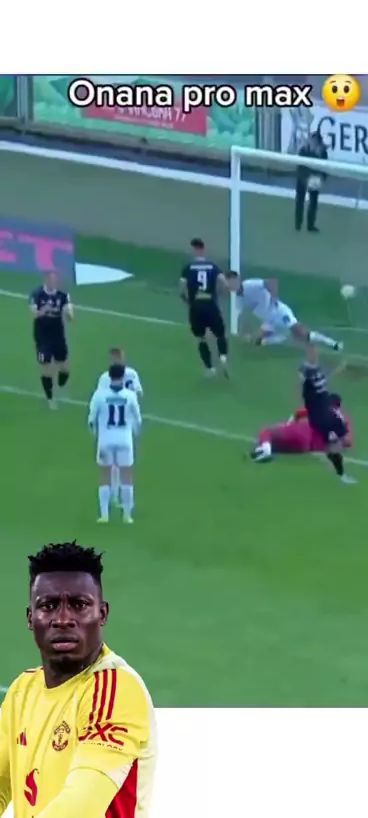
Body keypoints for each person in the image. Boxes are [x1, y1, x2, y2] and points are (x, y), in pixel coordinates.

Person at [0, 541, 157, 817]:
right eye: (48, 606)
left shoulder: (115, 690)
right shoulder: (22, 691)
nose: (63, 619)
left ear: (102, 613)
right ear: (30, 618)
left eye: (79, 605)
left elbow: (80, 807)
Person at [225, 272, 343, 351]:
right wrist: (245, 332)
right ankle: (283, 337)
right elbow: (243, 315)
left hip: (279, 313)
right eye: (228, 283)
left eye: (231, 282)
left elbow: (273, 282)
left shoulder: (250, 285)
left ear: (237, 280)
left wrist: (274, 298)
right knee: (256, 341)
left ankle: (333, 343)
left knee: (303, 334)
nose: (230, 285)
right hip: (268, 322)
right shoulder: (238, 299)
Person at [88, 364, 142, 523]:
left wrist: (96, 434)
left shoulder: (99, 395)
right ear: (123, 376)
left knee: (105, 475)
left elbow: (91, 419)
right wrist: (135, 434)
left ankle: (104, 515)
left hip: (105, 440)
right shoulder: (130, 396)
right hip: (125, 440)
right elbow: (137, 419)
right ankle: (127, 515)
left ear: (108, 376)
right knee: (127, 476)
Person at [298, 346, 356, 484]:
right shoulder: (308, 385)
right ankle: (341, 473)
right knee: (333, 445)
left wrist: (340, 368)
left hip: (328, 414)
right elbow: (304, 374)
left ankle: (332, 455)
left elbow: (327, 376)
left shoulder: (318, 375)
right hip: (321, 419)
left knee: (344, 440)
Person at [96, 348, 144, 508]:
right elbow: (139, 393)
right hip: (127, 422)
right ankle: (122, 498)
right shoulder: (132, 373)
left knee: (115, 464)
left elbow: (100, 398)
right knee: (123, 464)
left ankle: (115, 496)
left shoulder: (105, 377)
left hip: (114, 425)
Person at [179, 238, 229, 377]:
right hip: (210, 304)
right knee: (220, 334)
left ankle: (210, 368)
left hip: (196, 305)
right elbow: (224, 283)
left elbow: (182, 287)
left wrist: (186, 300)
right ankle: (223, 357)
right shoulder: (213, 266)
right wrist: (219, 295)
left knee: (201, 338)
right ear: (203, 250)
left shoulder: (188, 267)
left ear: (195, 250)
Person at [251, 394, 353, 461]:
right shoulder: (344, 418)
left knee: (267, 431)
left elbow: (298, 414)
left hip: (304, 432)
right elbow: (348, 442)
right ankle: (264, 451)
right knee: (279, 446)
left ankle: (265, 450)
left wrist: (288, 426)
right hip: (308, 447)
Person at [29, 270, 74, 409]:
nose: (53, 282)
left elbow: (70, 315)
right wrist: (44, 310)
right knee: (46, 367)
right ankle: (50, 399)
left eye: (55, 280)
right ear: (46, 280)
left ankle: (61, 382)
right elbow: (34, 314)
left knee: (64, 368)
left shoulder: (63, 295)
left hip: (58, 335)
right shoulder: (37, 294)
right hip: (43, 337)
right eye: (50, 280)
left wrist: (68, 314)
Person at [294, 127, 328, 232]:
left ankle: (310, 225)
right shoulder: (303, 150)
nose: (313, 144)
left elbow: (324, 168)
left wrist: (322, 179)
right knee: (300, 200)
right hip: (303, 177)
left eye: (315, 142)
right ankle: (298, 223)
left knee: (313, 202)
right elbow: (300, 167)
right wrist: (305, 179)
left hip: (314, 178)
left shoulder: (323, 153)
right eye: (312, 141)